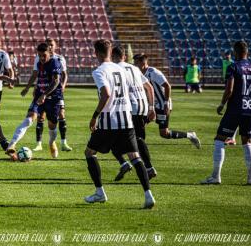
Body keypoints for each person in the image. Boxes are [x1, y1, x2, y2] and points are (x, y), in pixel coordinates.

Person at [84, 39, 154, 209]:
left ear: (97, 53)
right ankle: (148, 195)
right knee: (135, 157)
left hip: (109, 120)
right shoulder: (121, 68)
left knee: (89, 153)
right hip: (127, 120)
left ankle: (100, 192)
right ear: (110, 52)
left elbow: (106, 94)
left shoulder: (99, 71)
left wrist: (95, 116)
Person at [201, 41, 251, 185]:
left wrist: (222, 104)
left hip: (235, 109)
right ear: (247, 52)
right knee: (246, 142)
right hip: (249, 109)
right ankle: (250, 178)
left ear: (236, 52)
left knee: (219, 139)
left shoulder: (233, 67)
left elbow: (229, 90)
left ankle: (216, 176)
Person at [108, 47, 158, 182]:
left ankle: (134, 165)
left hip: (130, 108)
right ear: (124, 56)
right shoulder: (134, 68)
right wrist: (152, 108)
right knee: (137, 139)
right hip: (143, 107)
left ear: (112, 56)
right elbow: (149, 87)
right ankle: (145, 167)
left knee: (112, 136)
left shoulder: (115, 68)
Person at [10, 42, 64, 158]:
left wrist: (44, 94)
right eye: (39, 55)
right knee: (29, 119)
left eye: (44, 55)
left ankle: (51, 142)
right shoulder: (39, 63)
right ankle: (12, 144)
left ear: (49, 52)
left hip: (53, 98)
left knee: (52, 125)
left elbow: (56, 81)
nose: (42, 58)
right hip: (39, 96)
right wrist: (28, 88)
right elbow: (36, 76)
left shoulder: (55, 62)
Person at [135, 54, 201, 149]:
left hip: (162, 105)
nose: (134, 64)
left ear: (143, 62)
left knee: (164, 133)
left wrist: (166, 104)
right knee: (140, 123)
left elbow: (167, 86)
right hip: (152, 106)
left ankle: (190, 135)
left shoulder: (153, 72)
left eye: (136, 62)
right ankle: (139, 148)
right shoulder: (139, 74)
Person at [29, 39, 71, 152]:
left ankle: (63, 143)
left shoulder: (60, 58)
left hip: (56, 91)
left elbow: (64, 74)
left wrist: (63, 85)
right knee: (40, 116)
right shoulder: (39, 58)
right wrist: (35, 88)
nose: (50, 47)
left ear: (55, 46)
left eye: (52, 45)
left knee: (61, 115)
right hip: (44, 89)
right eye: (48, 45)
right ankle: (39, 144)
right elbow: (38, 74)